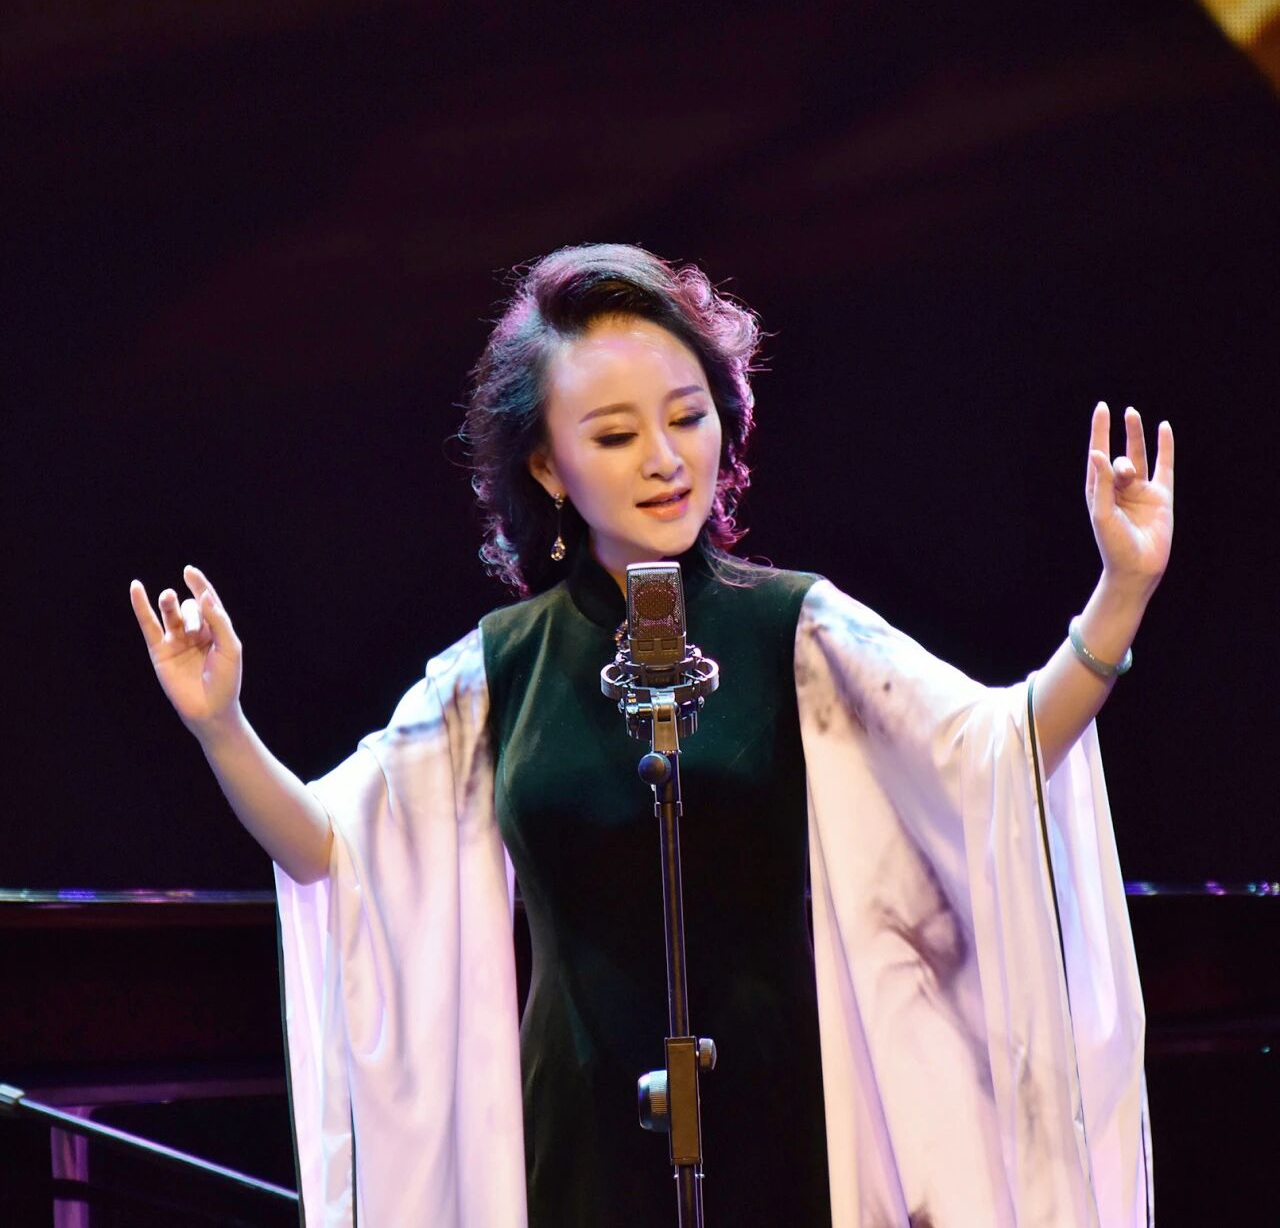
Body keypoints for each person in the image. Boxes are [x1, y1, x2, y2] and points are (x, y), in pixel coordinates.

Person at [129, 243, 1173, 1227]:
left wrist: (1119, 594)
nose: (666, 460)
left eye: (687, 416)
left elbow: (994, 754)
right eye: (616, 436)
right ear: (548, 467)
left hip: (785, 1131)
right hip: (578, 1144)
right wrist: (222, 726)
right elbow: (332, 849)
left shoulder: (795, 627)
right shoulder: (501, 666)